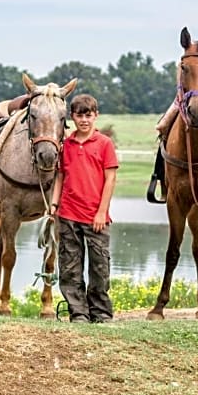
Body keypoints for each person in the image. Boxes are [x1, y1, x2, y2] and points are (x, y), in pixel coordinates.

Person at [50, 94, 119, 324]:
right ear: (73, 117)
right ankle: (78, 312)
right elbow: (60, 176)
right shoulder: (66, 145)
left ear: (95, 116)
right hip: (68, 214)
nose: (84, 120)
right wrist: (54, 203)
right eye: (79, 116)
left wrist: (101, 211)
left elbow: (110, 179)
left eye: (88, 115)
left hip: (95, 216)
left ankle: (100, 312)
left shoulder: (104, 144)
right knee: (70, 266)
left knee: (100, 267)